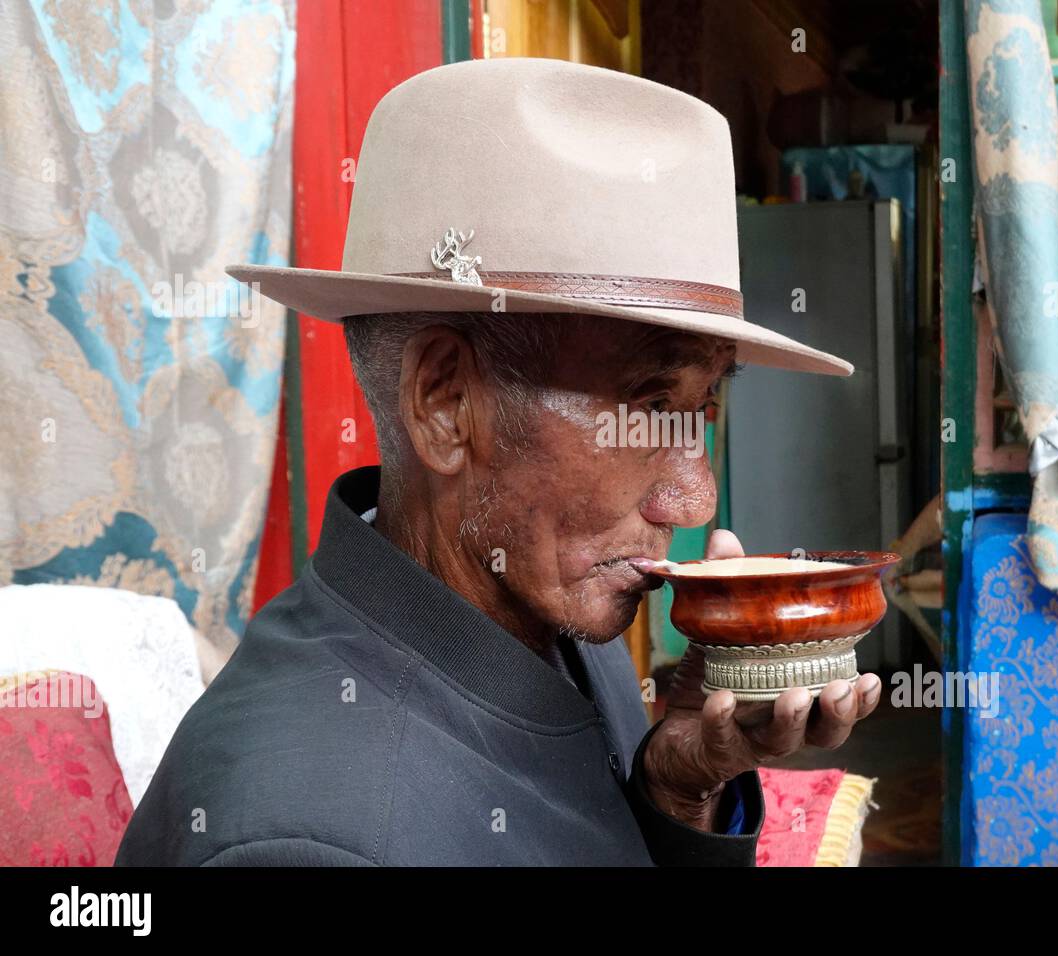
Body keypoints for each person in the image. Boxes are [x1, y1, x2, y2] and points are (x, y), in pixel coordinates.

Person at [116, 57, 881, 867]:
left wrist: (678, 789)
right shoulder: (314, 842)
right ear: (446, 402)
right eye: (650, 409)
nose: (694, 499)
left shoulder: (551, 614)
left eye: (703, 409)